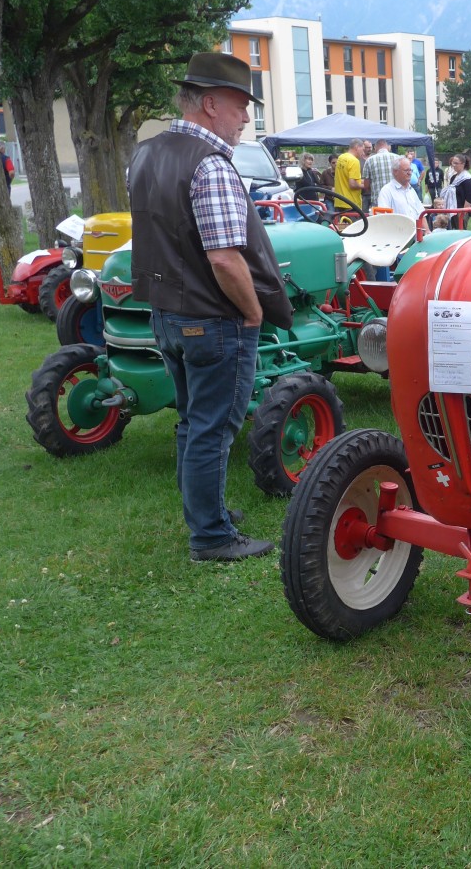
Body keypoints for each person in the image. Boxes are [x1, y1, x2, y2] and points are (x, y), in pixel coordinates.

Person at [128, 52, 293, 563]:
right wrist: (253, 312)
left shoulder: (146, 153)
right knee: (213, 426)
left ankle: (204, 510)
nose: (246, 118)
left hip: (165, 314)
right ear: (209, 103)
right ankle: (212, 536)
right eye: (241, 106)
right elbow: (225, 257)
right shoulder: (212, 164)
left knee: (190, 421)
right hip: (211, 319)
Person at [377, 153, 425, 221]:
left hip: (415, 230)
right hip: (398, 231)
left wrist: (428, 231)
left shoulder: (411, 190)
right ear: (395, 172)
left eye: (411, 170)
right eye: (406, 170)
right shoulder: (386, 191)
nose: (410, 173)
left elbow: (421, 214)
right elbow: (383, 218)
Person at [440, 153, 471, 228]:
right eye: (453, 163)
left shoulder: (467, 179)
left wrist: (463, 213)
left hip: (462, 211)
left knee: (461, 231)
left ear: (463, 164)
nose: (454, 165)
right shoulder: (453, 177)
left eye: (456, 163)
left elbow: (469, 199)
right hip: (453, 210)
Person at [333, 139, 366, 214]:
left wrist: (363, 181)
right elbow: (352, 184)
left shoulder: (341, 158)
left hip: (339, 201)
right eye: (363, 149)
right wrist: (366, 186)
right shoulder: (354, 161)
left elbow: (345, 178)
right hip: (351, 203)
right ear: (357, 147)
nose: (363, 153)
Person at [362, 139, 393, 211]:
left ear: (375, 148)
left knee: (379, 221)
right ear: (388, 147)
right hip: (395, 199)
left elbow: (366, 185)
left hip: (378, 200)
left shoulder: (369, 160)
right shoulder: (398, 158)